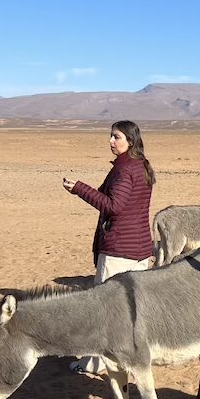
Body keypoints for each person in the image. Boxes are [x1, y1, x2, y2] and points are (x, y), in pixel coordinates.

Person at [62, 120, 156, 373]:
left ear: (130, 141)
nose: (111, 141)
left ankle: (95, 363)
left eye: (116, 137)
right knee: (129, 310)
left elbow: (113, 206)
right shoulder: (138, 166)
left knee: (103, 310)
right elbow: (108, 197)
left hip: (119, 250)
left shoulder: (125, 170)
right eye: (111, 136)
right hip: (138, 249)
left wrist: (80, 188)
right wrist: (81, 189)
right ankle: (126, 357)